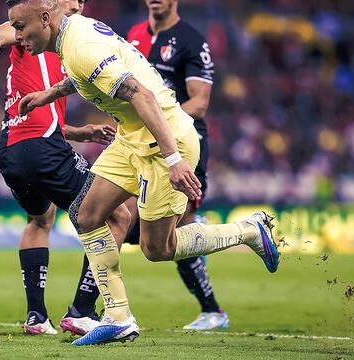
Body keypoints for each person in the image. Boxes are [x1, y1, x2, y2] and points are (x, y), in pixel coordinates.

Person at [9, 0, 280, 346]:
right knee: (86, 214)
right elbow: (85, 77)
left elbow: (143, 96)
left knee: (158, 248)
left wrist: (174, 160)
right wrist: (49, 94)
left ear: (45, 19)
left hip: (164, 141)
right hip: (132, 138)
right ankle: (118, 317)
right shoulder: (72, 36)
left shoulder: (81, 47)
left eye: (20, 27)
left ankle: (249, 230)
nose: (17, 37)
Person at [0, 0, 131, 337]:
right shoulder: (35, 30)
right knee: (118, 217)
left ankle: (36, 317)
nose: (74, 6)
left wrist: (78, 131)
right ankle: (83, 311)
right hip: (40, 147)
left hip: (13, 149)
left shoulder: (69, 46)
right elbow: (4, 32)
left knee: (40, 219)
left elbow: (39, 113)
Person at [124, 0, 228, 331]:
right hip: (141, 144)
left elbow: (200, 102)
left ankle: (212, 309)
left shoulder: (191, 41)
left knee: (175, 231)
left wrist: (163, 124)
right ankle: (96, 310)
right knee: (118, 218)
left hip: (184, 147)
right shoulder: (134, 35)